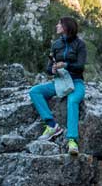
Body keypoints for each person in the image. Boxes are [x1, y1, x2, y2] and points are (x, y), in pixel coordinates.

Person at [28, 15, 87, 156]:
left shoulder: (80, 44)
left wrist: (65, 64)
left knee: (72, 101)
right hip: (59, 82)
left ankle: (72, 141)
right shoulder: (56, 44)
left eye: (59, 24)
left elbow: (80, 66)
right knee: (35, 91)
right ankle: (52, 125)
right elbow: (48, 68)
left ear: (66, 27)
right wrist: (53, 69)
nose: (57, 26)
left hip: (76, 82)